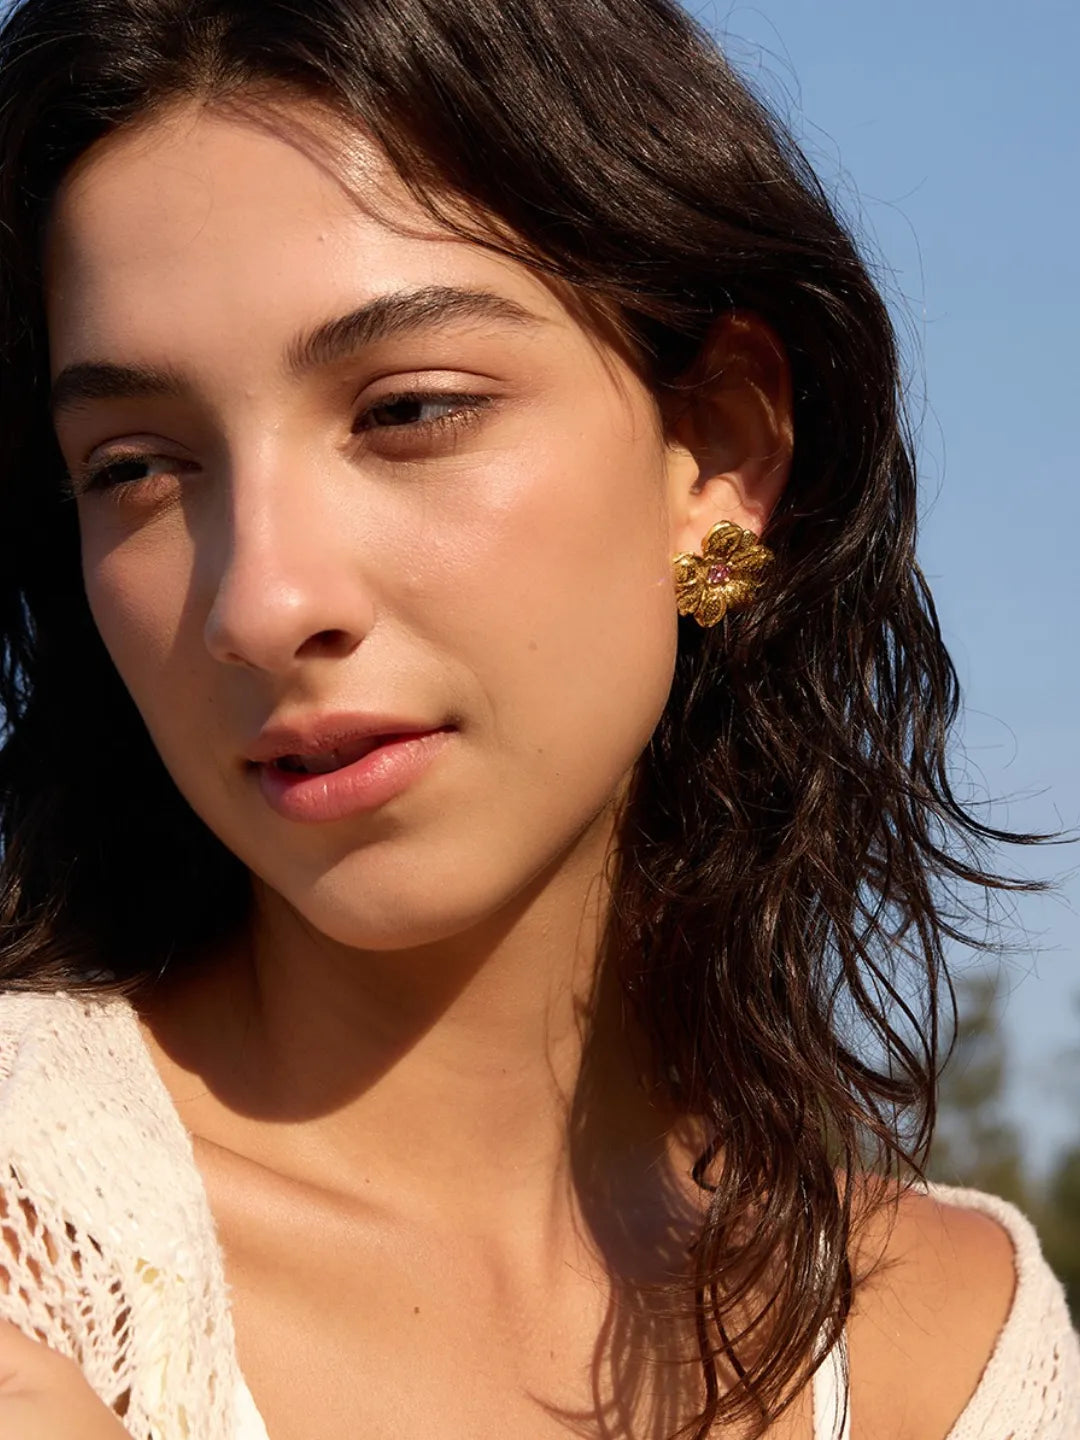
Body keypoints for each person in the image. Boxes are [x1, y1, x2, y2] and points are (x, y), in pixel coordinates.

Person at [0, 0, 1076, 1436]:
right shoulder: (35, 1262)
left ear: (726, 452)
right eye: (135, 466)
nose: (258, 600)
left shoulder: (963, 1341)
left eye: (409, 411)